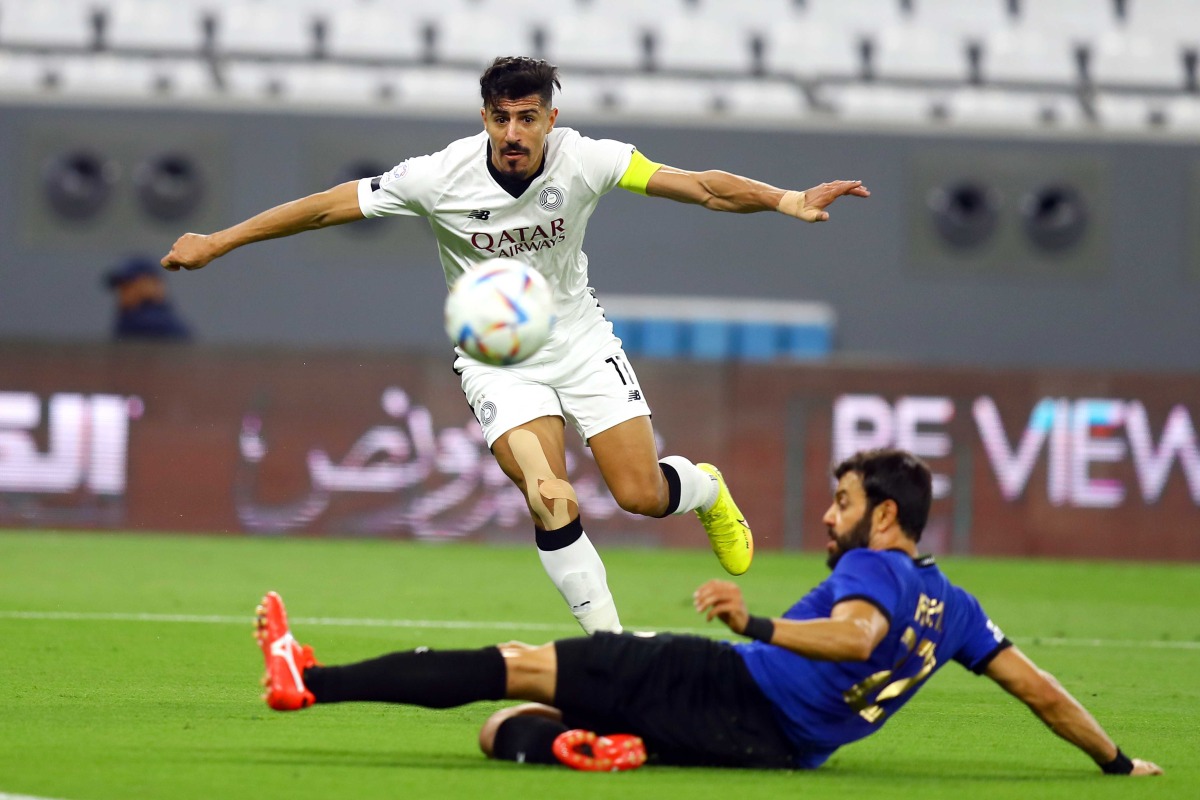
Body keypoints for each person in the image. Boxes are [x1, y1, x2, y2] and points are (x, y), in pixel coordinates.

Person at [163, 56, 871, 634]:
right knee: (548, 494)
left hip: (580, 341)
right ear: (484, 119)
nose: (513, 131)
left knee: (639, 492)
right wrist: (219, 242)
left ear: (550, 120)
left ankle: (705, 486)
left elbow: (702, 189)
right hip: (498, 361)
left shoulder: (588, 160)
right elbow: (325, 206)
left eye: (527, 118)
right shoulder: (439, 176)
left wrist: (785, 199)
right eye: (500, 117)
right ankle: (614, 649)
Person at [253, 448, 1162, 775]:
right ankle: (588, 748)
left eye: (841, 503)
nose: (827, 516)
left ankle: (310, 681)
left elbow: (857, 638)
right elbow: (1039, 692)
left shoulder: (879, 579)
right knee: (506, 729)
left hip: (722, 683)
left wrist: (754, 624)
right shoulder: (958, 609)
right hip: (771, 751)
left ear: (885, 517)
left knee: (519, 660)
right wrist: (1116, 761)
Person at [104, 255, 191, 341]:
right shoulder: (127, 318)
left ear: (151, 284)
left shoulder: (154, 323)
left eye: (129, 286)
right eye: (120, 287)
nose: (122, 293)